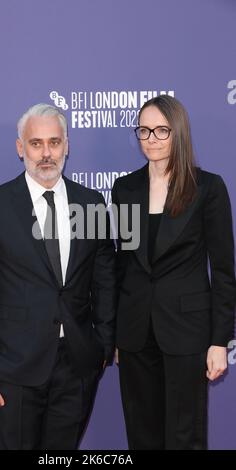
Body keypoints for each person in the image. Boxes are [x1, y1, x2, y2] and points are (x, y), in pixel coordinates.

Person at [0, 103, 116, 450]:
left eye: (54, 142)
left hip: (76, 365)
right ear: (21, 148)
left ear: (67, 145)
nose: (46, 154)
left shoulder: (90, 203)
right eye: (36, 143)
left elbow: (104, 278)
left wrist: (102, 344)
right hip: (13, 367)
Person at [112, 95, 236, 450]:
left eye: (161, 130)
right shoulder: (125, 189)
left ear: (178, 132)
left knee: (185, 436)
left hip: (187, 332)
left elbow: (224, 272)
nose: (151, 138)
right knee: (142, 434)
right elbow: (123, 264)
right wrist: (118, 334)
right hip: (136, 333)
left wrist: (218, 341)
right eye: (144, 130)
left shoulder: (207, 188)